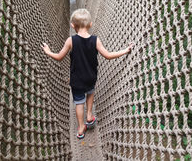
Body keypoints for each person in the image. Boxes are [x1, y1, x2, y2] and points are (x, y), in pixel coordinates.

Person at [41, 8, 133, 139]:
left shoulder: (71, 41)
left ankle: (80, 128)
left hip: (76, 80)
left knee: (79, 103)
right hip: (91, 77)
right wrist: (125, 50)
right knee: (90, 92)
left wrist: (48, 51)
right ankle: (89, 115)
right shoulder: (96, 40)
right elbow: (108, 55)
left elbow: (59, 57)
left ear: (73, 26)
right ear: (90, 25)